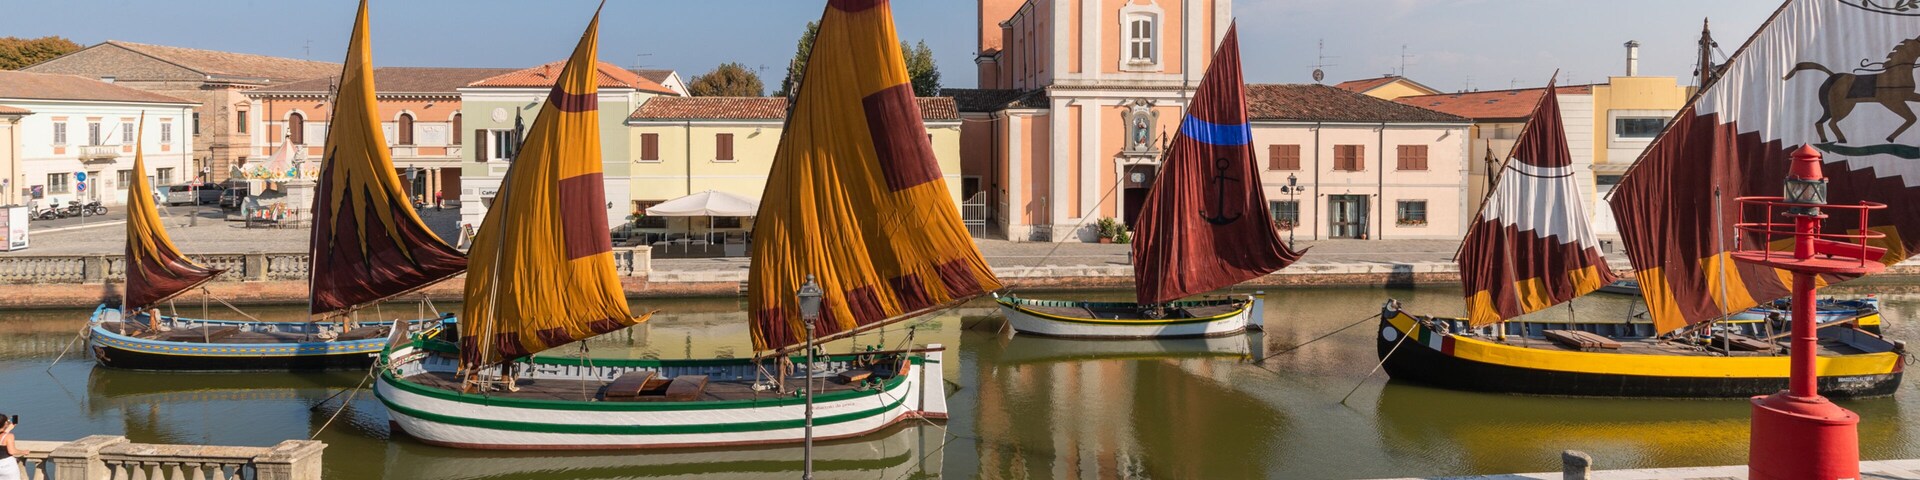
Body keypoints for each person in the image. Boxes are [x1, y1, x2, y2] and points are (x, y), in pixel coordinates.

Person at [0, 413, 25, 480]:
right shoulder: (9, 436)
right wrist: (23, 451)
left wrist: (7, 430)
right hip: (8, 466)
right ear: (5, 423)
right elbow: (12, 451)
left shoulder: (6, 434)